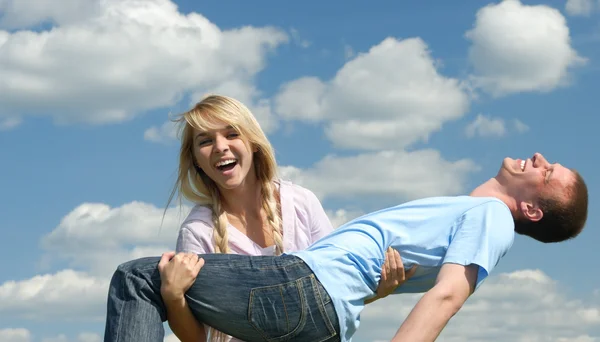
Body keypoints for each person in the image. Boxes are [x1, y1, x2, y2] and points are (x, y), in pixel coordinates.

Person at [104, 152, 588, 342]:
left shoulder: (491, 217)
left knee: (136, 277)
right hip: (319, 315)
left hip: (303, 288)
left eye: (548, 174)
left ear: (532, 211)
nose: (541, 160)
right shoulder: (469, 214)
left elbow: (446, 296)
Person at [153, 94, 408, 342]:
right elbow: (198, 338)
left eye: (232, 134)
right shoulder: (197, 231)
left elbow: (335, 288)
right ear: (196, 159)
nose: (220, 146)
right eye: (205, 141)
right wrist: (173, 296)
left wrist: (376, 291)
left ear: (253, 142)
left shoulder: (301, 202)